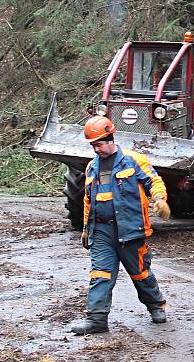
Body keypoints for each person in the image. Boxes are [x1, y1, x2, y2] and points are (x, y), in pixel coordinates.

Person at [69, 115, 172, 335]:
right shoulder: (91, 168)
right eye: (93, 145)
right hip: (102, 230)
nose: (96, 149)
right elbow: (89, 199)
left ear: (110, 138)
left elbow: (153, 181)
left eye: (99, 144)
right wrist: (87, 228)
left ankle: (156, 305)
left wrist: (160, 199)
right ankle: (96, 319)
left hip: (130, 228)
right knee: (100, 274)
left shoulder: (133, 160)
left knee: (140, 273)